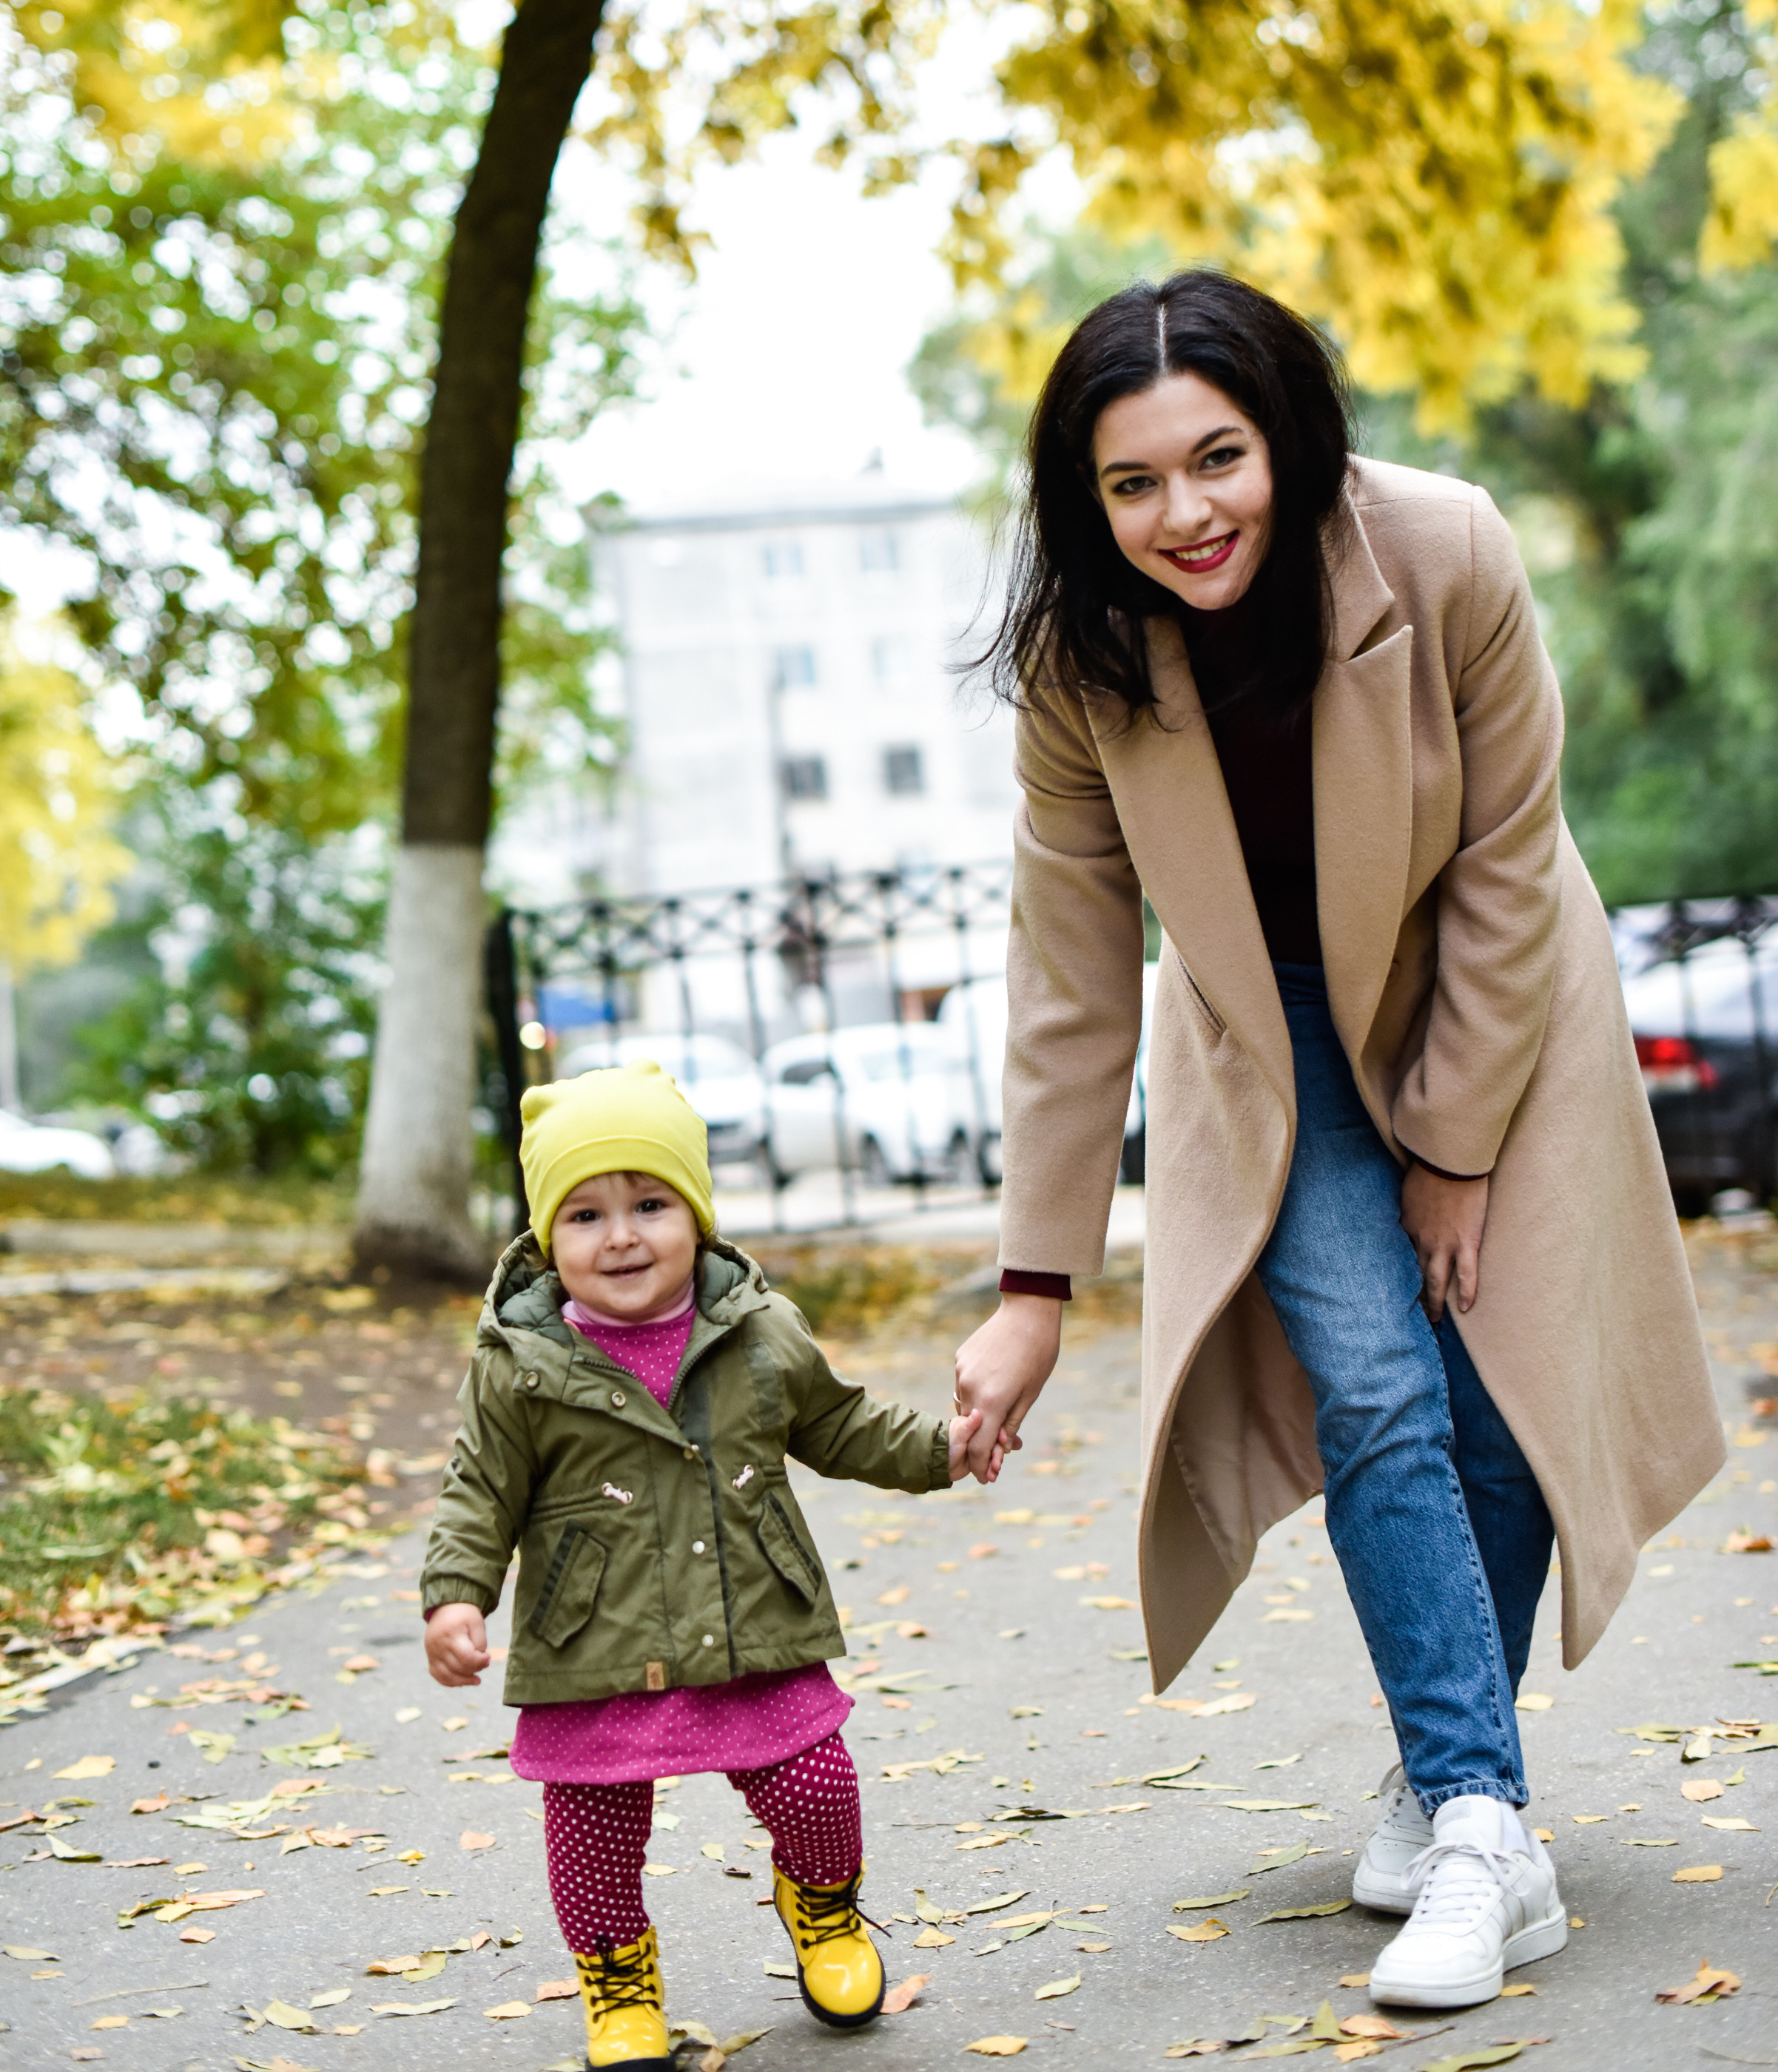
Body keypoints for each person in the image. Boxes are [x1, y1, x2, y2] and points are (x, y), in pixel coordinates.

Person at [953, 269, 1724, 2012]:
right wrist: (1029, 1286)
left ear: (1285, 437)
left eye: (1213, 459)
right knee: (1372, 1379)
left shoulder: (1442, 551)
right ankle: (1481, 1829)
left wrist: (1451, 1145)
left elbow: (1510, 860)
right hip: (1267, 1029)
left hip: (1489, 987)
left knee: (1500, 1399)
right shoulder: (1080, 659)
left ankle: (1437, 1776)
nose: (1180, 512)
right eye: (1129, 482)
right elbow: (1067, 975)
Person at [420, 1061, 995, 2068]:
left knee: (816, 1786)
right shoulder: (521, 1363)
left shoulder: (759, 1331)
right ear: (548, 1238)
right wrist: (455, 1597)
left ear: (697, 1214)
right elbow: (480, 1489)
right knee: (591, 1832)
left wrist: (937, 1449)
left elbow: (839, 1423)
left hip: (752, 1615)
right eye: (587, 1215)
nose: (622, 1236)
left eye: (650, 1204)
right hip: (593, 1639)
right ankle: (618, 1983)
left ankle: (823, 1909)